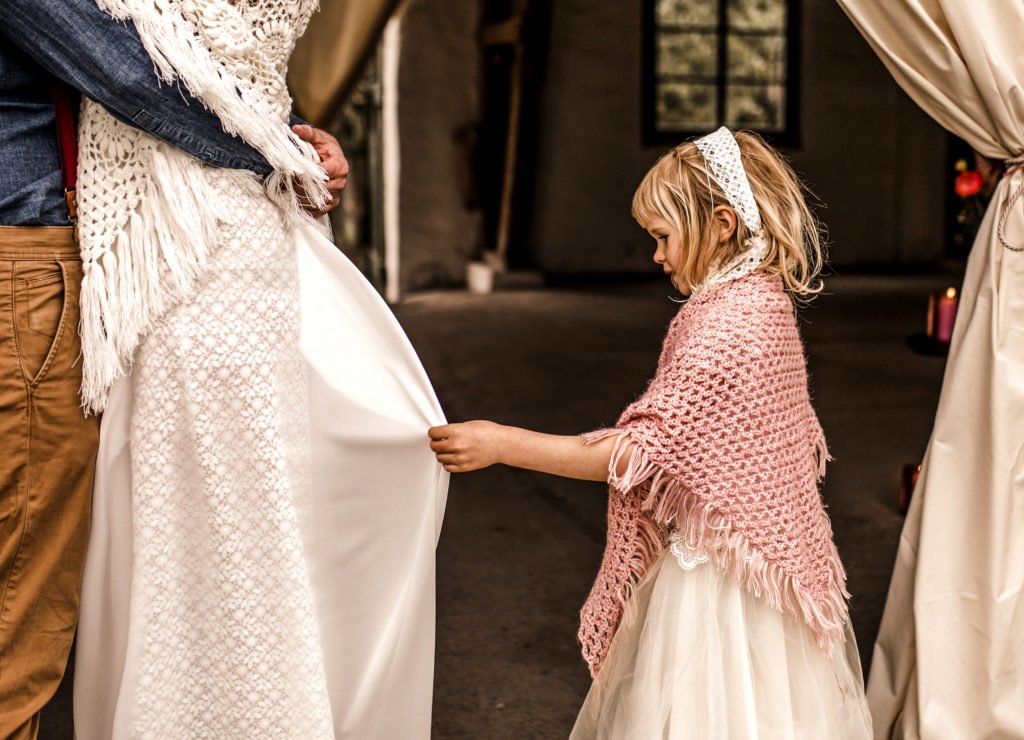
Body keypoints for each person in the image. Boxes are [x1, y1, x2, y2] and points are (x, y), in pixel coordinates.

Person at [0, 1, 448, 738]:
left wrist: (285, 130)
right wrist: (277, 146)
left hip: (141, 244)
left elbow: (197, 59)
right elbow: (129, 73)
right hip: (52, 249)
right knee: (24, 588)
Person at [429, 128, 873, 738]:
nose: (658, 257)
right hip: (751, 570)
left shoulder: (730, 323)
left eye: (663, 237)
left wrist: (502, 443)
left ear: (720, 223)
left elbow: (639, 453)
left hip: (720, 585)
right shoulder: (758, 300)